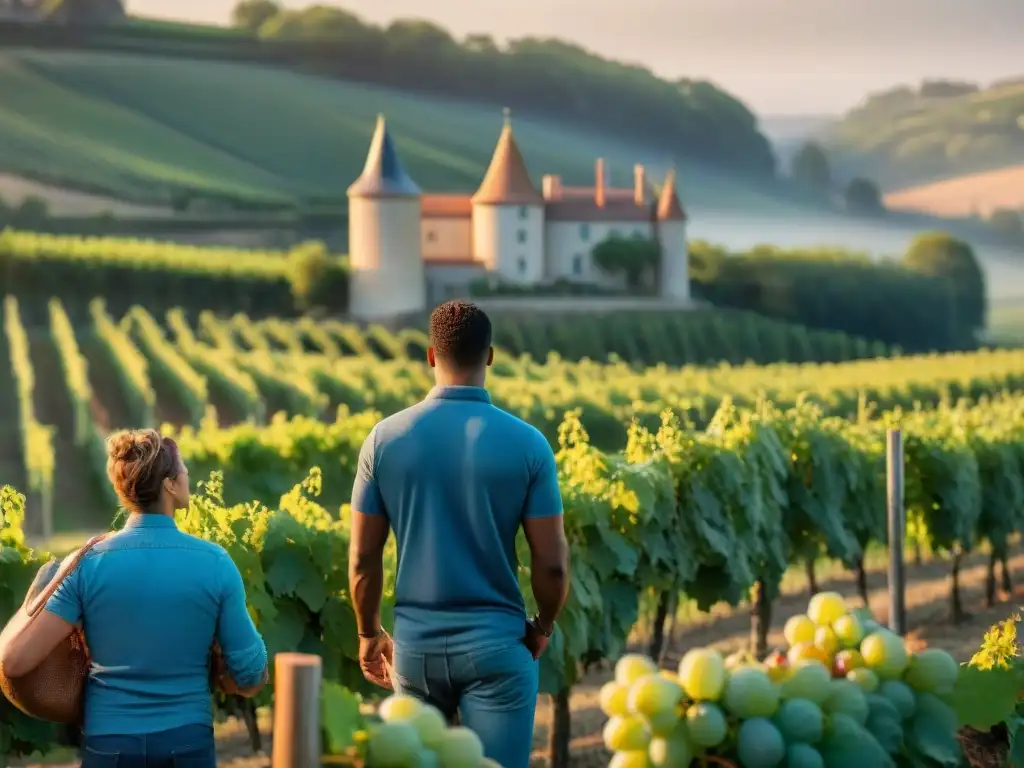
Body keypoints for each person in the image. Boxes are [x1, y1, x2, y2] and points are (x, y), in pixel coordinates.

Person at [348, 300, 570, 768]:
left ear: (430, 355)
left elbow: (363, 560)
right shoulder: (529, 444)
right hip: (498, 647)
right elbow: (551, 564)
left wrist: (369, 633)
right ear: (490, 356)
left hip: (415, 650)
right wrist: (543, 626)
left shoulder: (384, 440)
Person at [0, 429, 268, 768]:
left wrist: (47, 587)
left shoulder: (87, 563)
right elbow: (250, 674)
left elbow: (14, 661)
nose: (187, 475)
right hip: (186, 742)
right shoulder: (215, 563)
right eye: (182, 469)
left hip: (110, 743)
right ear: (170, 485)